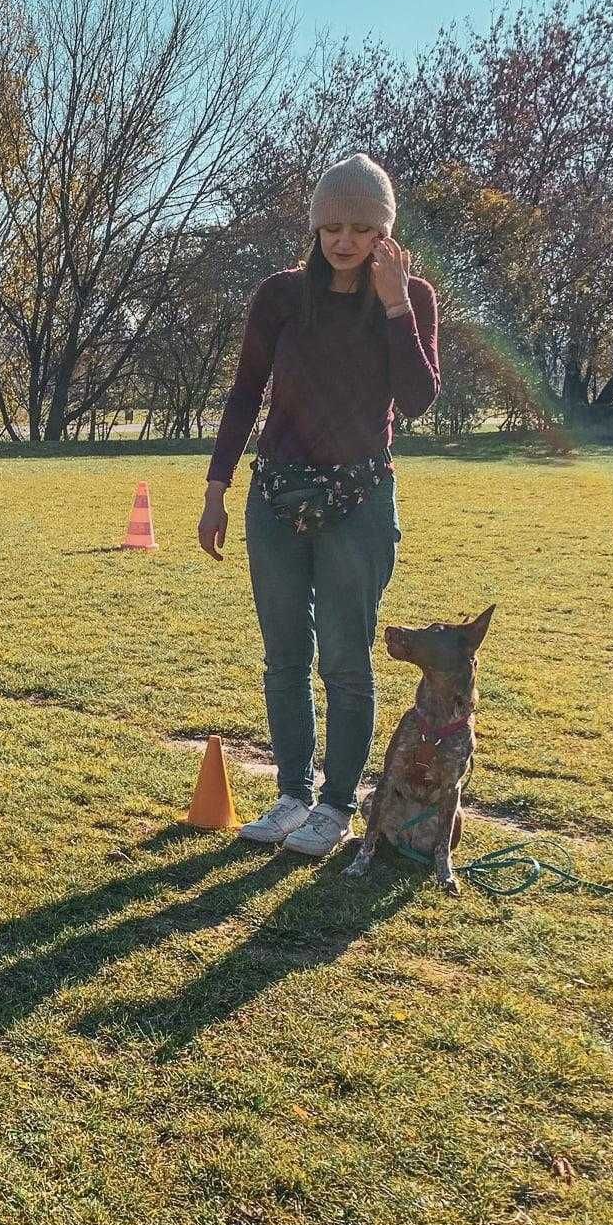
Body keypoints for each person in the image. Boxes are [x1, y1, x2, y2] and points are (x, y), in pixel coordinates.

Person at [197, 153, 441, 858]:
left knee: (345, 659)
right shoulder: (280, 296)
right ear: (314, 227)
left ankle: (335, 807)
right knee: (283, 655)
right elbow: (245, 393)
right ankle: (290, 795)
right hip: (276, 493)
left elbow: (419, 402)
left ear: (383, 233)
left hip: (359, 498)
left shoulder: (412, 297)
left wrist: (396, 302)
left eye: (361, 228)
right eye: (331, 225)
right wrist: (216, 490)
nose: (343, 240)